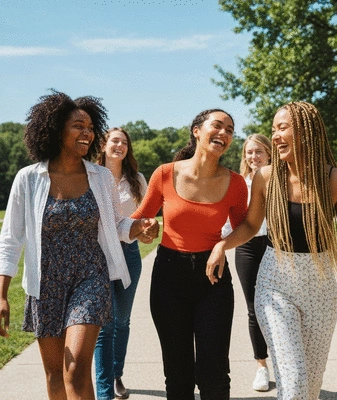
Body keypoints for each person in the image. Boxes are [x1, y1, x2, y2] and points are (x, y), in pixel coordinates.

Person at [206, 101, 337, 400]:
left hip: (321, 291)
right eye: (273, 130)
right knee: (294, 382)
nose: (275, 136)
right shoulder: (266, 177)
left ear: (307, 132)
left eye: (282, 128)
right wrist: (223, 244)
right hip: (276, 287)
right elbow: (250, 226)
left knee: (309, 388)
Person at [0, 91, 158, 400]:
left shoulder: (100, 177)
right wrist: (2, 294)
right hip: (46, 282)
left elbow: (116, 225)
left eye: (90, 127)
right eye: (78, 126)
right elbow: (10, 238)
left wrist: (139, 228)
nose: (87, 133)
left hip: (91, 276)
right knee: (55, 375)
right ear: (57, 129)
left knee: (76, 370)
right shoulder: (29, 179)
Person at [131, 109, 248, 400]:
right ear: (197, 130)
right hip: (169, 277)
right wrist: (143, 230)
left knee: (214, 374)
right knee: (178, 373)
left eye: (230, 130)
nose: (224, 134)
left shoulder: (235, 183)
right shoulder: (165, 174)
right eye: (217, 126)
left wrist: (222, 245)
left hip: (213, 281)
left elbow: (245, 228)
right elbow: (137, 221)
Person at [94, 127, 148, 400]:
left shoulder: (136, 179)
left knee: (122, 320)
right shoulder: (90, 176)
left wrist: (146, 229)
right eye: (115, 140)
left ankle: (116, 376)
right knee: (106, 323)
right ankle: (103, 390)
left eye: (124, 142)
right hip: (100, 254)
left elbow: (145, 217)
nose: (120, 145)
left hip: (129, 252)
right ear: (103, 145)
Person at [221, 134, 272, 392]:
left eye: (259, 151)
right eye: (249, 152)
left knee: (278, 308)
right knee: (254, 309)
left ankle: (285, 364)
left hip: (276, 246)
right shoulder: (241, 183)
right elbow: (231, 221)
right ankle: (261, 366)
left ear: (269, 153)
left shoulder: (279, 180)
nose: (254, 157)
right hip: (248, 247)